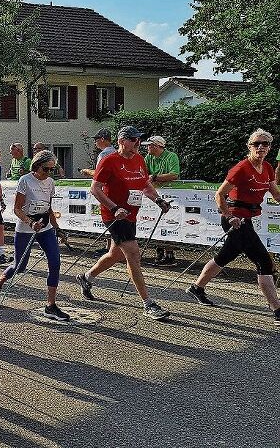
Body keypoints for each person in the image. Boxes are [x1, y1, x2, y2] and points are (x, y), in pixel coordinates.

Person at [75, 126, 172, 320]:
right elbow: (95, 188)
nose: (137, 144)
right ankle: (148, 303)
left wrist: (159, 200)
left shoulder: (139, 160)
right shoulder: (109, 160)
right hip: (114, 216)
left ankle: (87, 277)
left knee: (115, 253)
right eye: (133, 140)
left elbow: (145, 185)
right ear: (121, 141)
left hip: (130, 215)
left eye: (139, 140)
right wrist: (113, 208)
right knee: (133, 254)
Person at [187, 129, 280, 324]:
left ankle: (197, 288)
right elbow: (219, 195)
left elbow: (276, 193)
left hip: (248, 218)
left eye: (265, 144)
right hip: (235, 219)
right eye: (256, 144)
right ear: (249, 146)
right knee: (264, 261)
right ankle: (277, 309)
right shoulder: (241, 168)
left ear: (270, 147)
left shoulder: (268, 168)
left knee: (226, 255)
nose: (261, 147)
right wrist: (228, 217)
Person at [0, 150, 68, 320]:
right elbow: (17, 209)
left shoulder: (50, 183)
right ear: (37, 166)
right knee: (20, 266)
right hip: (25, 228)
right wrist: (31, 222)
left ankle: (51, 305)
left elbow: (48, 209)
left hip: (45, 228)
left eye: (52, 170)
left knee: (55, 263)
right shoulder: (25, 181)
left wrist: (58, 229)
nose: (49, 173)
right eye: (46, 169)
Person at [143, 135, 181, 265]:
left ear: (157, 146)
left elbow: (174, 174)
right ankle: (159, 252)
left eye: (149, 145)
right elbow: (143, 173)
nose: (147, 148)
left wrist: (154, 177)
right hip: (155, 193)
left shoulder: (171, 156)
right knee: (155, 221)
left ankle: (170, 254)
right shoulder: (148, 157)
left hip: (171, 193)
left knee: (170, 221)